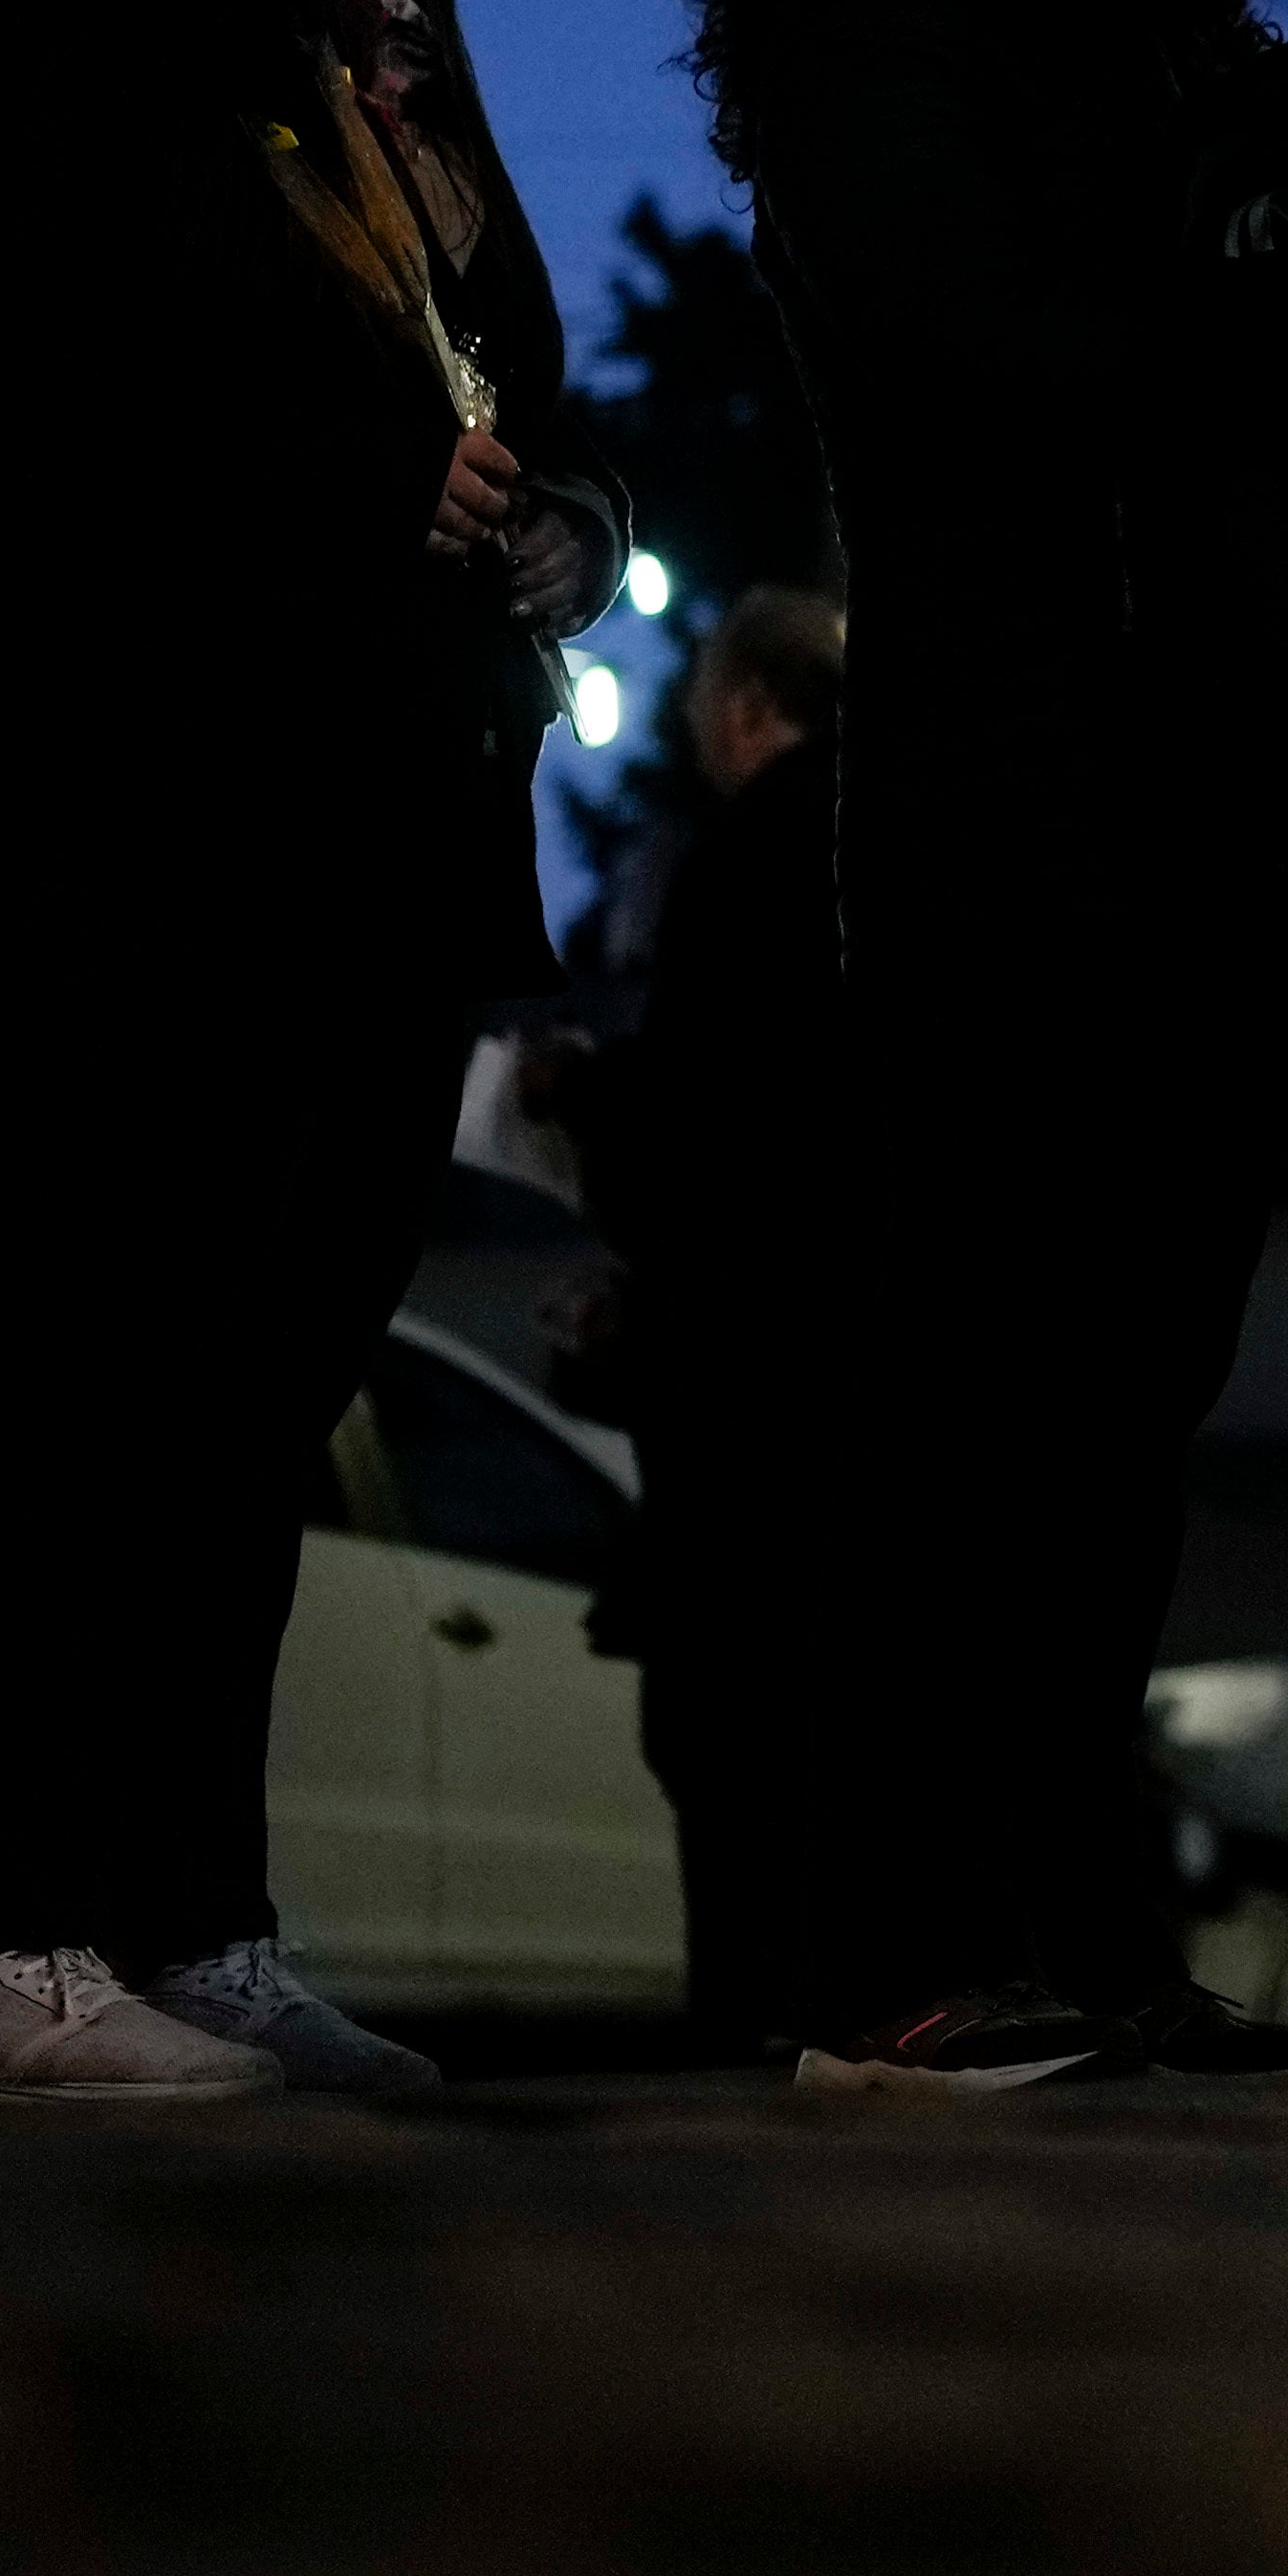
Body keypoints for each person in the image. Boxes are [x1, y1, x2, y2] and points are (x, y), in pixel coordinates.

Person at [0, 0, 622, 2113]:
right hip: (67, 808)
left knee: (242, 1393)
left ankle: (177, 1916)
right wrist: (347, 478)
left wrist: (565, 522)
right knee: (41, 1359)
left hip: (354, 840)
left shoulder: (395, 90)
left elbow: (521, 394)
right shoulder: (47, 34)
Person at [699, 0, 1288, 2093]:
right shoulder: (874, 22)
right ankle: (883, 1961)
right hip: (1014, 775)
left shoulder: (1198, 66)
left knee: (1124, 1406)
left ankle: (1075, 1940)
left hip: (1224, 793)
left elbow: (1273, 411)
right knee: (978, 1374)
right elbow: (1001, 353)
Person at [543, 582, 847, 2050]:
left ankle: (753, 2040)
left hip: (741, 1390)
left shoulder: (740, 863)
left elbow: (703, 1140)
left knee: (732, 1746)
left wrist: (575, 1101)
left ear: (741, 707)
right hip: (867, 1376)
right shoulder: (897, 849)